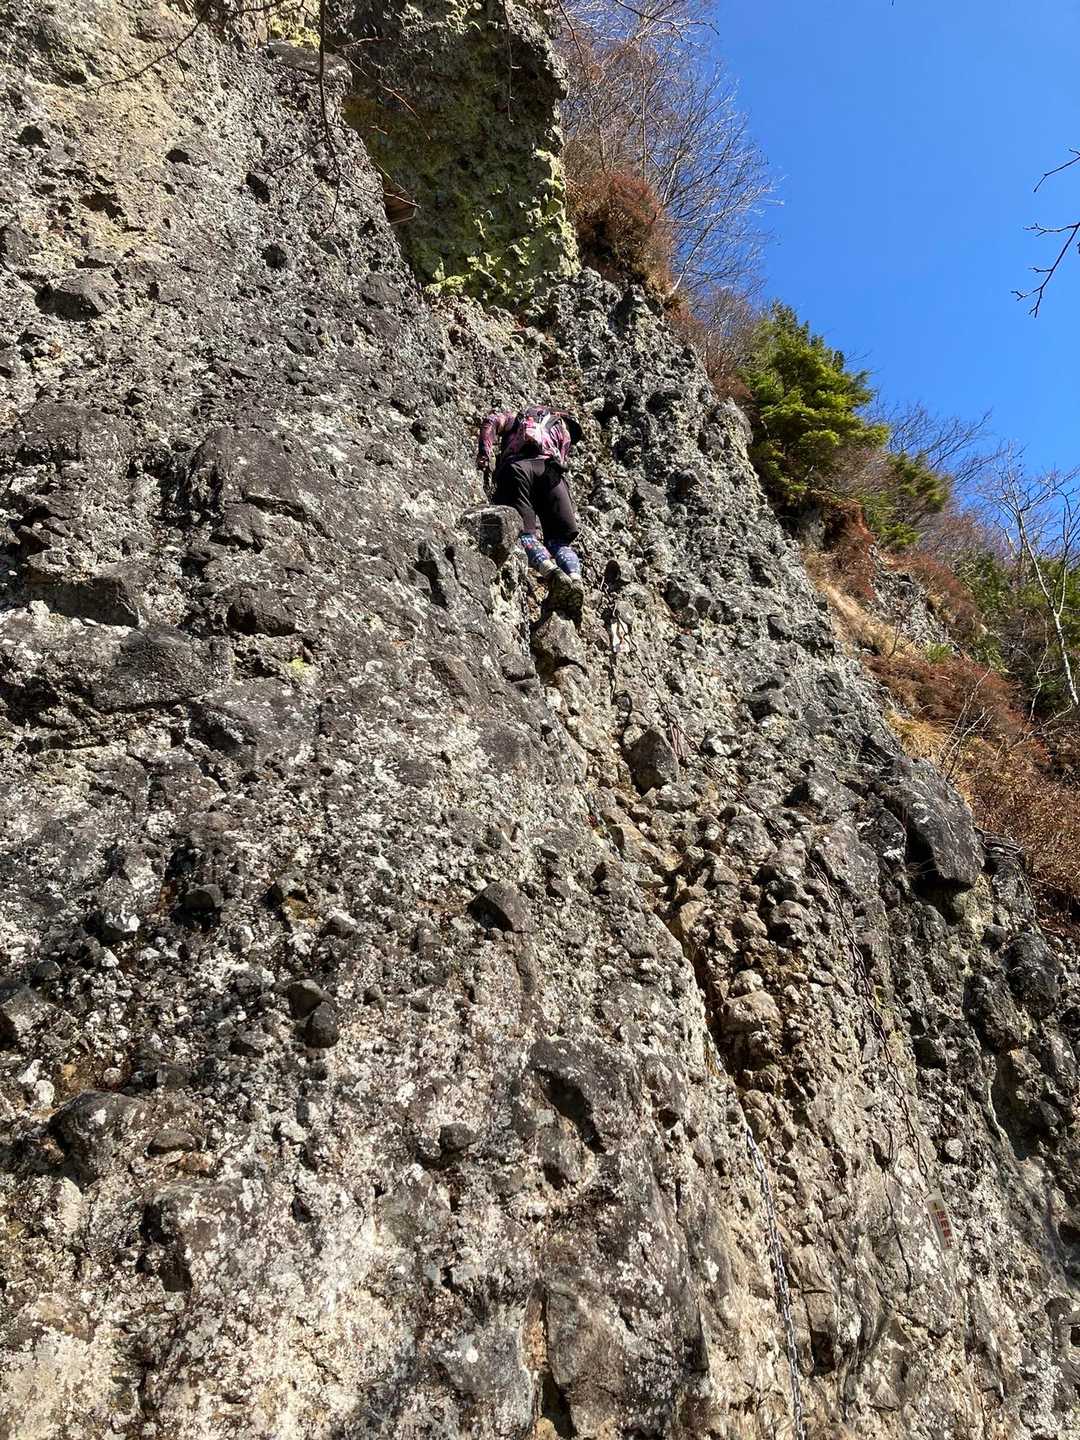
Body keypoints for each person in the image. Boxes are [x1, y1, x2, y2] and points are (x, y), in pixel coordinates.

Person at [477, 405, 584, 597]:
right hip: (552, 475)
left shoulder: (519, 418)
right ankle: (575, 579)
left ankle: (552, 573)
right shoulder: (561, 428)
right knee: (559, 542)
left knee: (523, 533)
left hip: (519, 467)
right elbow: (561, 461)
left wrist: (485, 453)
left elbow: (491, 421)